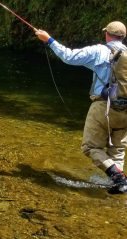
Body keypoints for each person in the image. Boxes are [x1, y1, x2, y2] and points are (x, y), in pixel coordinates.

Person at [35, 21, 127, 194]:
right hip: (126, 111)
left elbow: (69, 56)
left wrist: (49, 40)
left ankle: (119, 178)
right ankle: (118, 185)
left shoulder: (99, 50)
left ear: (107, 34)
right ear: (123, 37)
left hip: (103, 106)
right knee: (117, 149)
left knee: (91, 147)